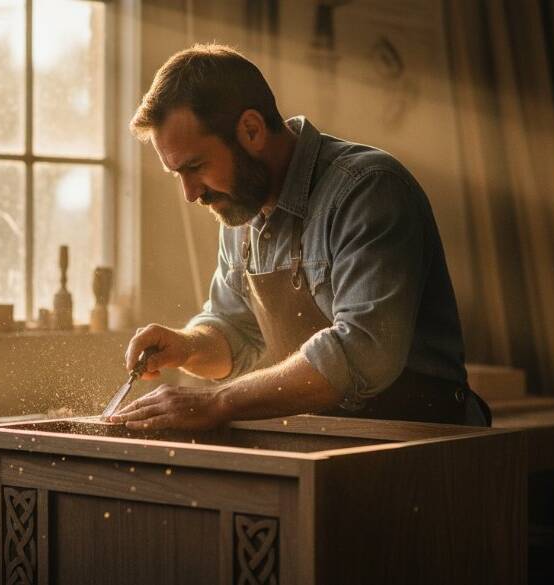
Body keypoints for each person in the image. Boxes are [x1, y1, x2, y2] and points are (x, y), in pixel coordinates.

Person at [108, 44, 490, 431]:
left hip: (426, 444)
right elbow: (235, 332)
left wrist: (218, 403)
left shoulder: (368, 190)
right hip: (329, 439)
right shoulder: (240, 211)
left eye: (197, 167)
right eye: (179, 175)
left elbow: (363, 352)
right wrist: (187, 346)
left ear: (252, 130)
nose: (191, 194)